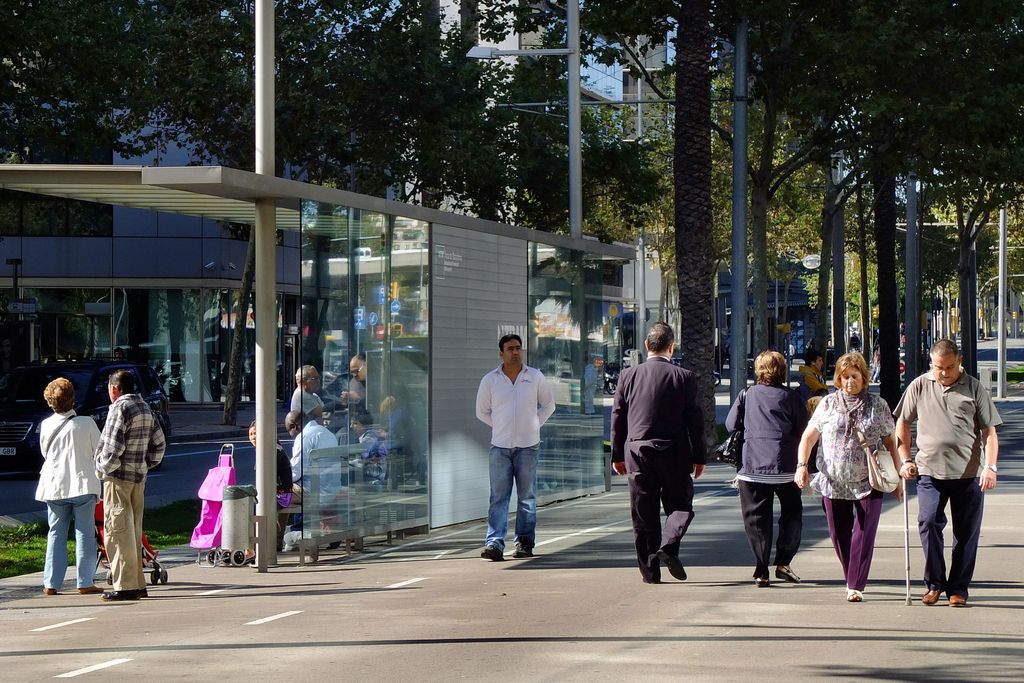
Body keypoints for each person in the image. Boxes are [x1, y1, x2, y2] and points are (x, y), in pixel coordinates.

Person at [894, 338, 1001, 608]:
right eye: (938, 367)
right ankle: (934, 583)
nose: (943, 373)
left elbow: (989, 432)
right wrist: (905, 459)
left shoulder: (974, 388)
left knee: (966, 534)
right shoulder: (919, 385)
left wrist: (990, 467)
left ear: (959, 361)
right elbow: (903, 423)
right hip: (929, 471)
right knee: (928, 523)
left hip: (969, 474)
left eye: (949, 367)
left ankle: (958, 588)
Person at [795, 352, 901, 602]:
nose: (849, 382)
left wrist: (898, 478)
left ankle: (855, 584)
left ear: (864, 378)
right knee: (838, 533)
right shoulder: (828, 403)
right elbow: (808, 437)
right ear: (838, 379)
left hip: (868, 478)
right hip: (834, 478)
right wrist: (801, 466)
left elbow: (891, 441)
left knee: (864, 533)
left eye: (854, 376)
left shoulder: (878, 405)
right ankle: (851, 574)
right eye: (844, 377)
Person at [610, 322, 706, 584]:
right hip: (674, 451)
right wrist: (700, 456)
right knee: (681, 505)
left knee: (643, 513)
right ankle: (668, 544)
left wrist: (617, 454)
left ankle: (650, 573)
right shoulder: (684, 377)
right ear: (671, 347)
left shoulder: (627, 376)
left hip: (637, 450)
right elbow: (694, 420)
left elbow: (618, 416)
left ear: (646, 346)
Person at [725, 351, 808, 588]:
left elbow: (731, 425)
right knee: (792, 514)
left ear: (758, 370)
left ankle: (761, 569)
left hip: (751, 466)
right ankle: (783, 562)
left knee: (756, 519)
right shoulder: (791, 397)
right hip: (785, 466)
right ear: (782, 371)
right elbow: (805, 429)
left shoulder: (746, 395)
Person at [475, 333, 555, 561]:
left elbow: (549, 404)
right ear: (501, 353)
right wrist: (500, 425)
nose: (515, 352)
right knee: (498, 497)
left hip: (528, 446)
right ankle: (494, 543)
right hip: (499, 447)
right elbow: (481, 412)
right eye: (510, 349)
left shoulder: (535, 377)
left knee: (526, 497)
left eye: (518, 348)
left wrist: (534, 424)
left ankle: (524, 542)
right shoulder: (490, 380)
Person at [94, 369, 166, 601]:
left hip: (118, 478)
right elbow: (159, 444)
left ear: (115, 389)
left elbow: (113, 447)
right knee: (133, 531)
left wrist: (101, 470)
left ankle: (125, 586)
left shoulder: (119, 408)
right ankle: (137, 583)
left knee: (117, 533)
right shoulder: (145, 407)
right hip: (138, 478)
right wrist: (145, 463)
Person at [35, 378, 104, 595]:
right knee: (84, 532)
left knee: (56, 533)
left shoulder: (45, 425)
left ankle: (51, 582)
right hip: (83, 484)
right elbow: (99, 452)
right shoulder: (87, 423)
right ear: (73, 399)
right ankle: (84, 582)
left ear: (50, 402)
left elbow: (45, 454)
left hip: (54, 485)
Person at [248, 419, 294, 550]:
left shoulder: (272, 451)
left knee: (252, 506)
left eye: (256, 433)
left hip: (281, 495)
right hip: (277, 492)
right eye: (251, 434)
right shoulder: (270, 448)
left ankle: (255, 547)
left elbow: (267, 478)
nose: (253, 437)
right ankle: (270, 543)